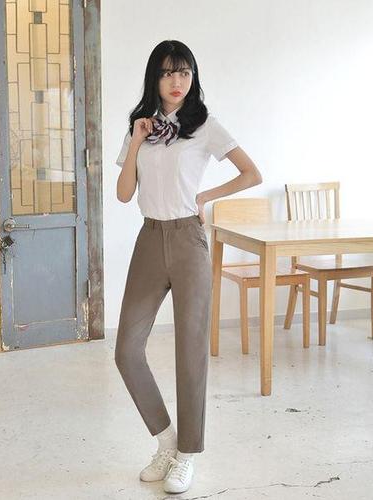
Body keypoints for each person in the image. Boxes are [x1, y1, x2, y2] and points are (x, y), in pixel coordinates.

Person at [114, 40, 262, 494]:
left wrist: (206, 197)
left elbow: (251, 173)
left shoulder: (203, 124)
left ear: (193, 77)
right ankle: (166, 441)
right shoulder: (141, 126)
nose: (176, 81)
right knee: (127, 350)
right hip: (149, 238)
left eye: (184, 72)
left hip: (188, 240)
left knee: (190, 350)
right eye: (167, 72)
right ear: (154, 78)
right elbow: (124, 193)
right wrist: (136, 141)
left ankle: (187, 455)